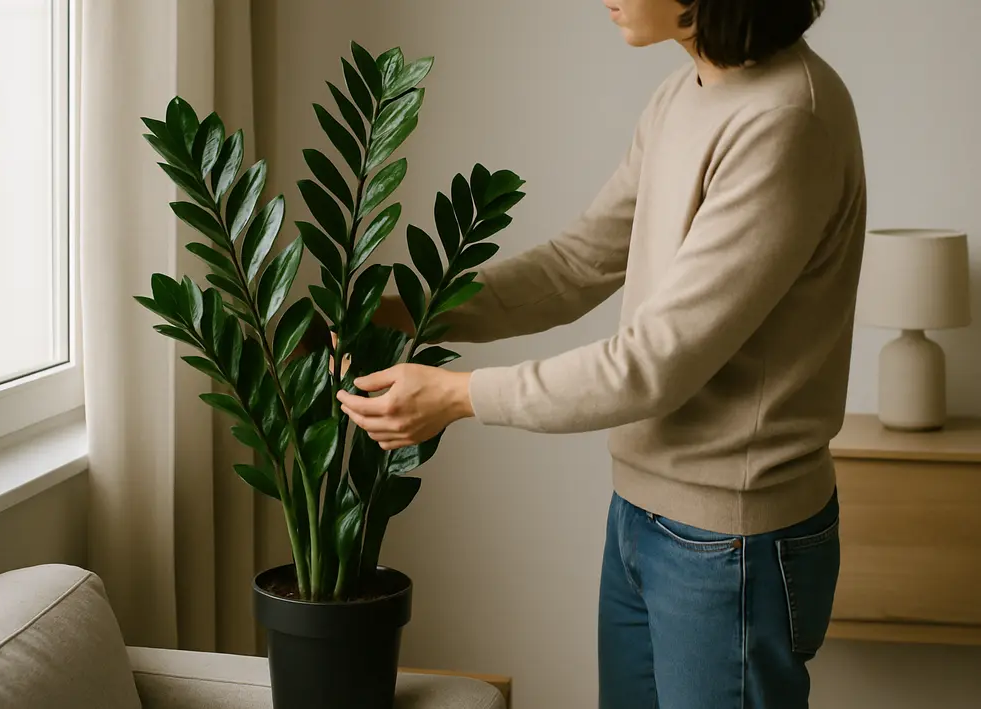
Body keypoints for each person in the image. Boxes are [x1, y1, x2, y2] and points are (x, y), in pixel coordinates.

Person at [337, 1, 865, 707]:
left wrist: (458, 397)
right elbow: (575, 265)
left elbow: (654, 364)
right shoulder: (683, 93)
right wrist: (399, 311)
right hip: (640, 516)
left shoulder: (785, 120)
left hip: (731, 542)